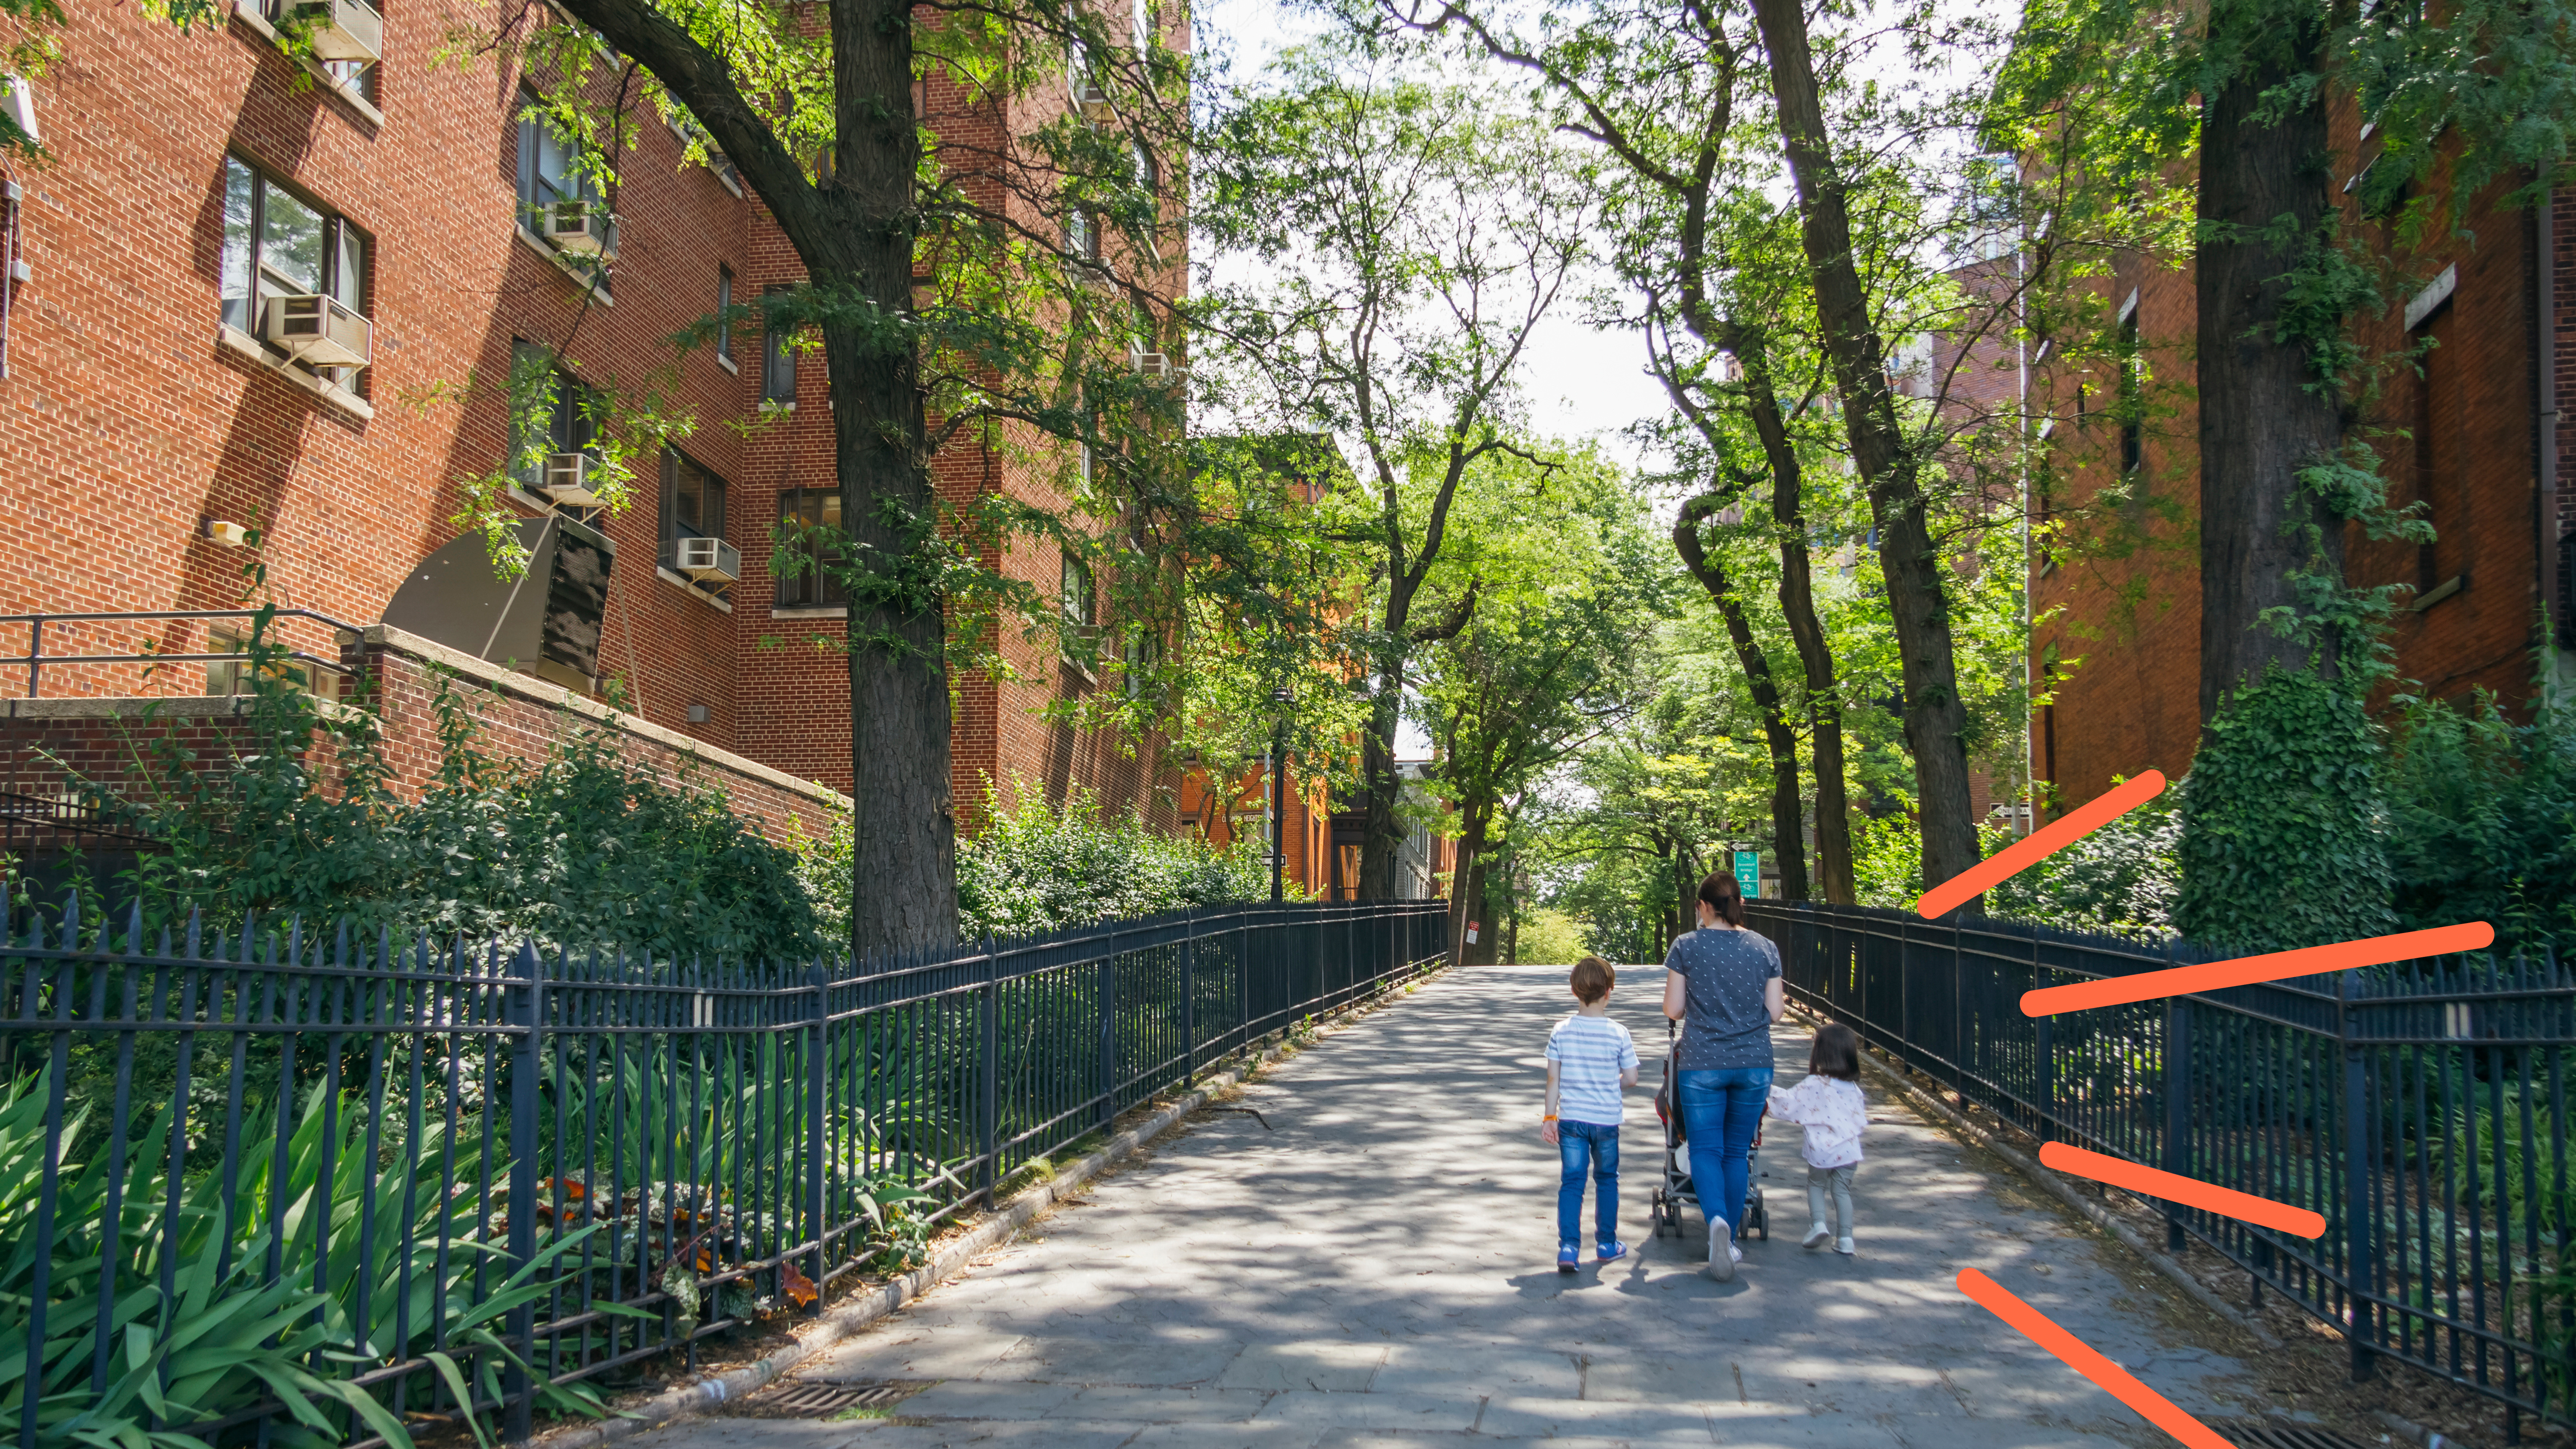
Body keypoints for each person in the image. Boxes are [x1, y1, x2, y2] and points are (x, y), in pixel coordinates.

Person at [1662, 871, 1784, 1281]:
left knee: (1705, 1149)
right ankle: (1728, 1240)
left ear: (1703, 906)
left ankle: (1715, 1219)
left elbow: (1673, 1009)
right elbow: (1777, 1012)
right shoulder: (1765, 947)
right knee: (1736, 1151)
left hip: (1703, 1063)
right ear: (1738, 904)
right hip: (1754, 1062)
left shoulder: (1687, 946)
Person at [1541, 955, 1640, 1273]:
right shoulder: (1619, 1033)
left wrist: (1550, 1117)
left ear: (1574, 991)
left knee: (1572, 1181)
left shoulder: (1561, 1031)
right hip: (1606, 1120)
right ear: (1609, 991)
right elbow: (1632, 1078)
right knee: (1607, 1179)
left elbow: (1553, 1079)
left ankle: (1569, 1248)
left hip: (1571, 1120)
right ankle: (1607, 1243)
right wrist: (1612, 1085)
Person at [1768, 1021, 1867, 1255]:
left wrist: (1766, 1092)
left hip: (1822, 1151)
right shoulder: (1854, 1090)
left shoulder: (1815, 1084)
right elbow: (1859, 1120)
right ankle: (1846, 1238)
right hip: (1849, 1150)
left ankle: (1819, 1224)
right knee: (1842, 1192)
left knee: (1816, 1185)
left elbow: (1789, 1103)